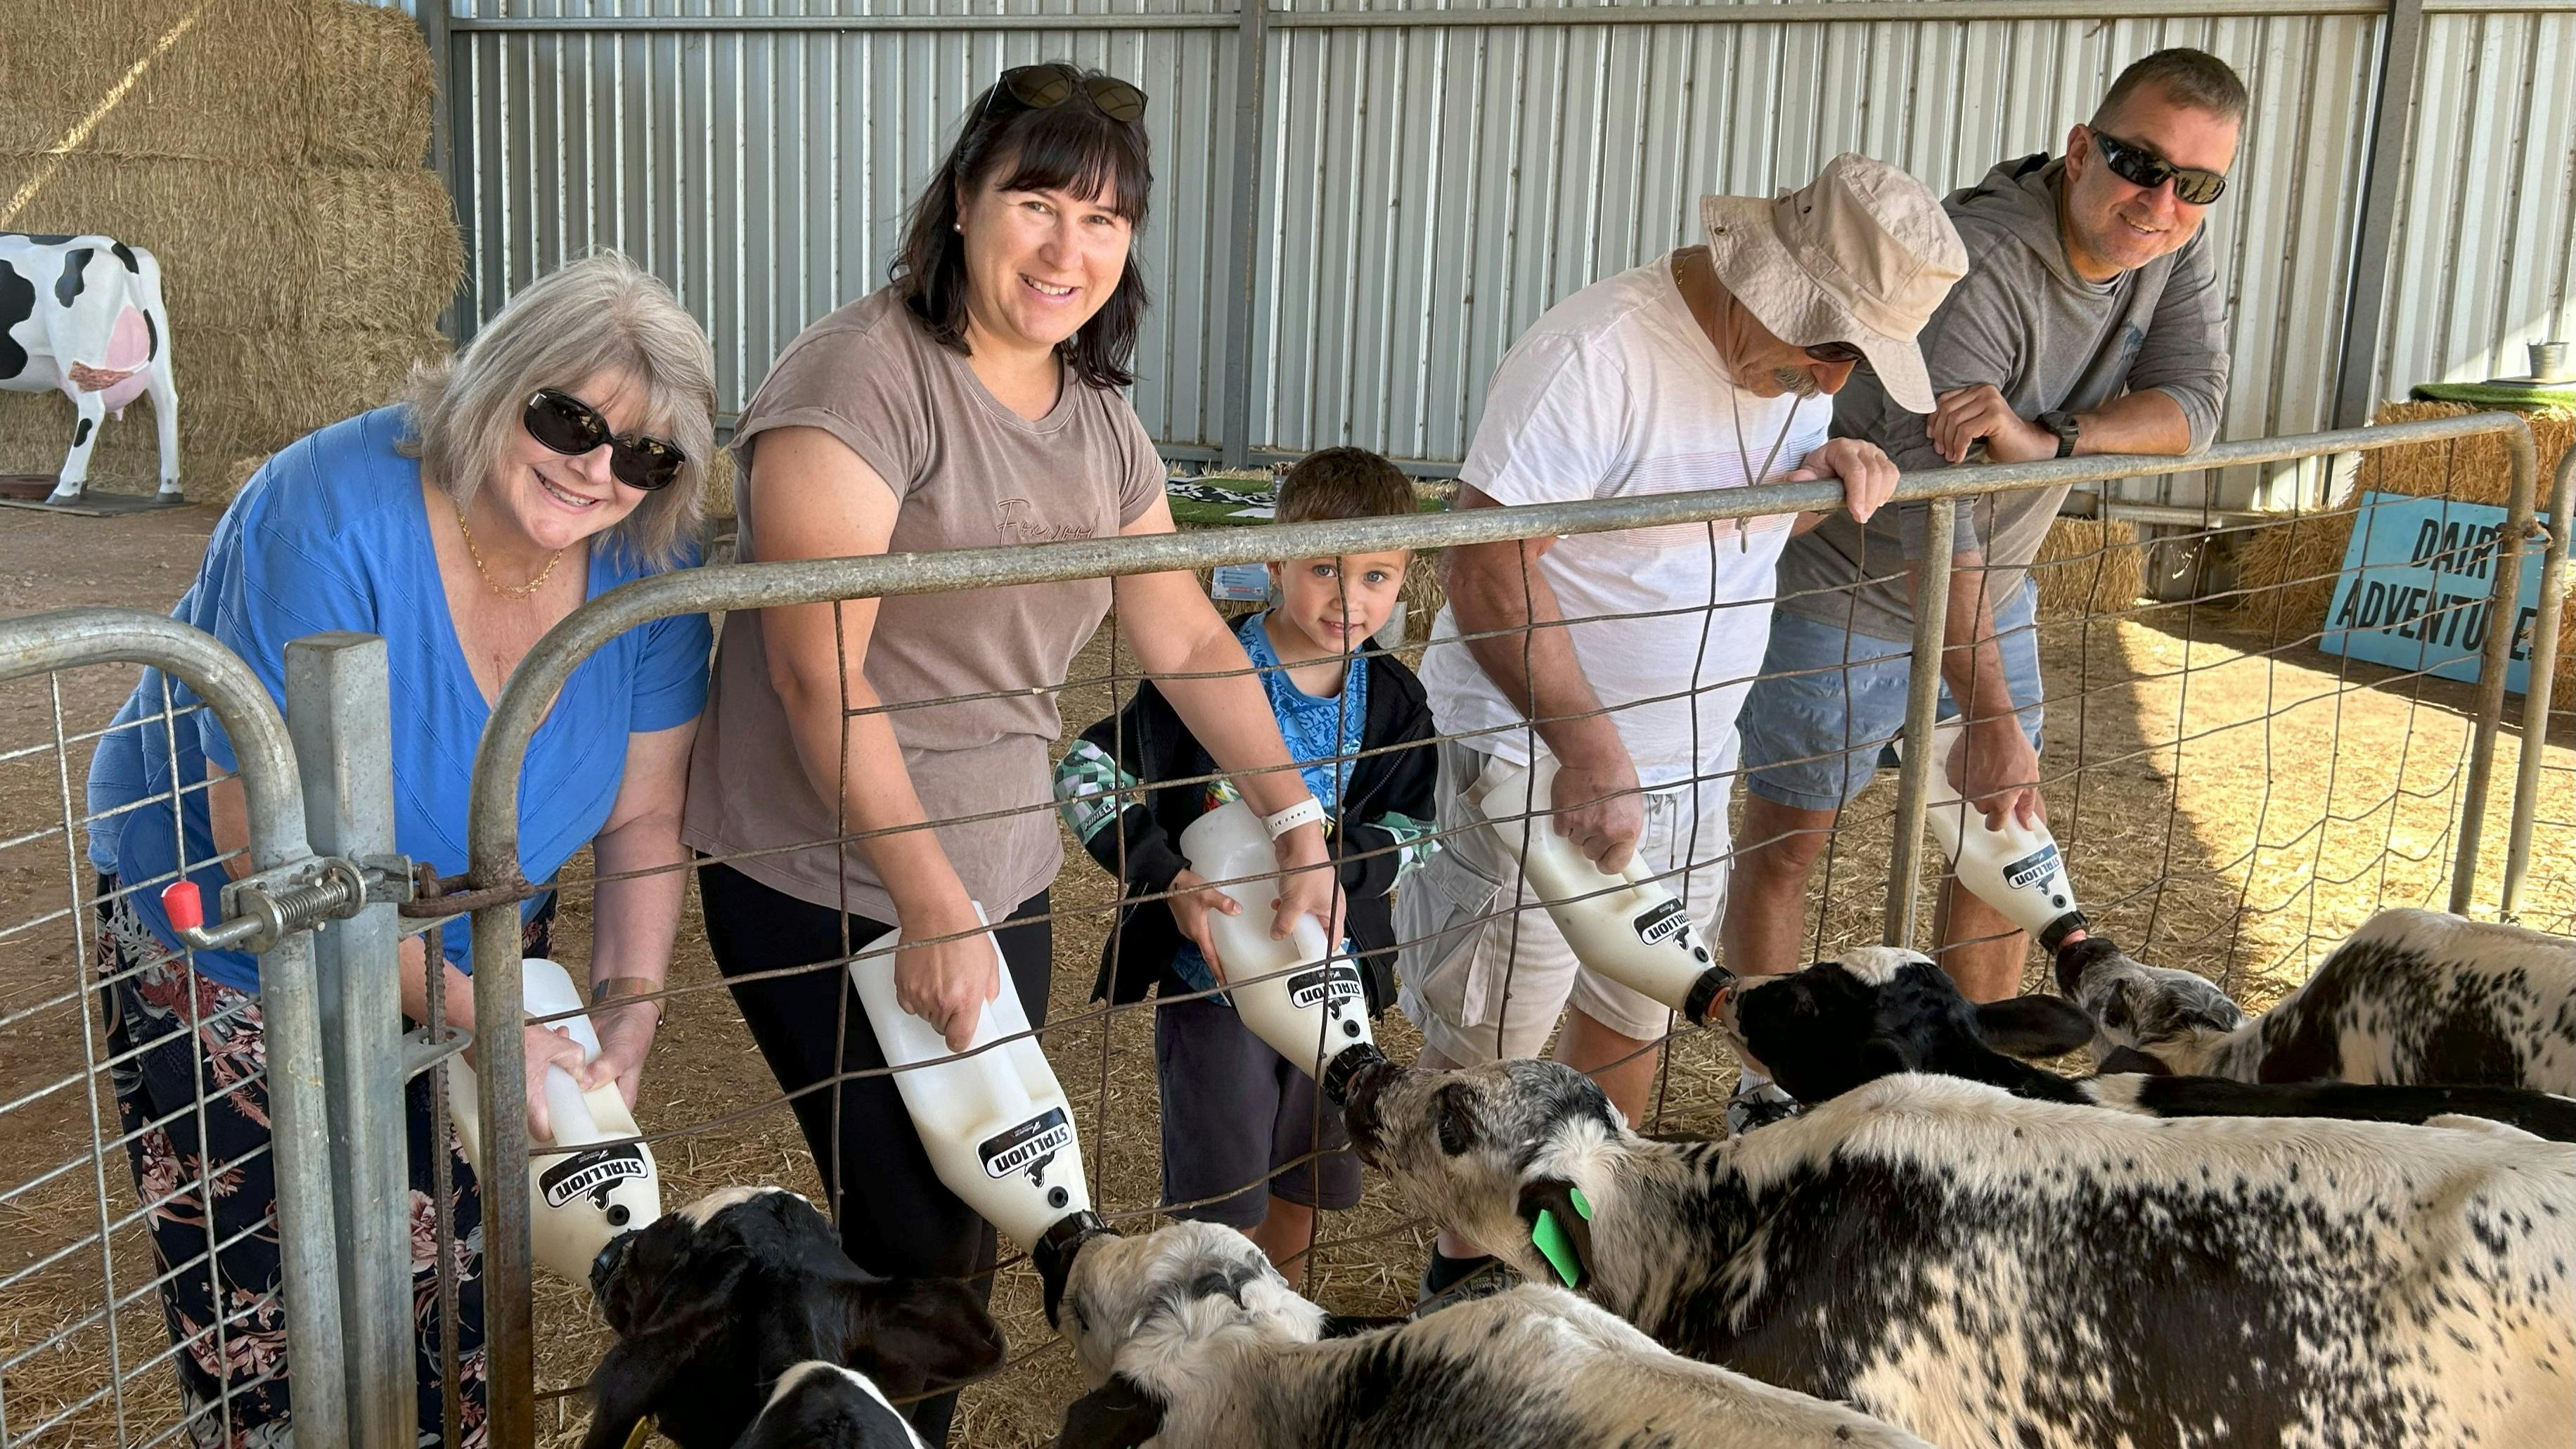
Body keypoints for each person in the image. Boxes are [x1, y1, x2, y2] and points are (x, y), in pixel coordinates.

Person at [678, 63, 1341, 1444]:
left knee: (969, 1231)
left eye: (1104, 219)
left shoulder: (1096, 416)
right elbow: (817, 671)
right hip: (827, 873)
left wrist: (1295, 813)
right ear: (962, 205)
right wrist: (927, 900)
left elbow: (1186, 635)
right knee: (915, 1236)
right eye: (1035, 201)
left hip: (999, 862)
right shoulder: (859, 380)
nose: (1067, 249)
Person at [83, 252, 717, 1444]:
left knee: (460, 1287)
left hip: (470, 922)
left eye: (644, 456)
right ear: (499, 381)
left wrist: (628, 1007)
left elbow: (644, 820)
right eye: (568, 418)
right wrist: (483, 1014)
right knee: (273, 1309)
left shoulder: (653, 556)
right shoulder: (325, 511)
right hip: (234, 929)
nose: (597, 469)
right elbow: (257, 839)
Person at [1393, 153, 1964, 1301]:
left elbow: (1695, 541)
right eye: (1830, 349)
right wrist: (1586, 747)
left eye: (1852, 360)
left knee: (1631, 1010)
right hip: (1536, 760)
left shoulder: (1793, 374)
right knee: (1496, 1050)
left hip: (1689, 759)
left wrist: (1817, 475)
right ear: (1767, 282)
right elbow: (1483, 568)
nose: (1835, 375)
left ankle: (1576, 1270)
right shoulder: (1596, 353)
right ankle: (1466, 1295)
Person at [1726, 50, 2241, 1086]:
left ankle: (1973, 1083)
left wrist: (2053, 440)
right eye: (2142, 164)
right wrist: (1994, 718)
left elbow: (2194, 409)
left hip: (1992, 584)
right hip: (1850, 583)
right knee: (1787, 846)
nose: (2163, 201)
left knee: (1994, 848)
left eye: (2198, 183)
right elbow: (1936, 517)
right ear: (2083, 148)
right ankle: (1766, 1090)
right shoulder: (1983, 265)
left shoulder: (2171, 250)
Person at [1053, 447, 1438, 1291]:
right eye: (1324, 570)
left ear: (1406, 576)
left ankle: (1283, 1334)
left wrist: (1351, 867)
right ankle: (1217, 1343)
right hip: (1213, 982)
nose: (1350, 599)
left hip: (1332, 983)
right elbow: (1086, 771)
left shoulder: (1397, 702)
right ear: (1273, 560)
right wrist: (1165, 877)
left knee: (1308, 1175)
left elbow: (1418, 828)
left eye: (1378, 577)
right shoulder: (1201, 676)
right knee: (1220, 1201)